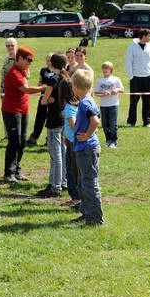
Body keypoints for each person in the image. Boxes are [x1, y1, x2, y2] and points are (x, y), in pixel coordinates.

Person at [1, 46, 45, 183]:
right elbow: (26, 89)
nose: (30, 62)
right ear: (19, 58)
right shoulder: (14, 72)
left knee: (22, 142)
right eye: (28, 60)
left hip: (23, 111)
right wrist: (45, 87)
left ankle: (17, 170)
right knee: (14, 141)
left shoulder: (23, 71)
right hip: (12, 111)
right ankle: (9, 173)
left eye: (32, 60)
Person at [72, 69, 103, 225]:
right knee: (83, 183)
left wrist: (88, 134)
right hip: (83, 148)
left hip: (87, 148)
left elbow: (95, 120)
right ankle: (86, 213)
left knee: (90, 183)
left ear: (76, 86)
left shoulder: (85, 102)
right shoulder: (88, 100)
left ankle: (95, 218)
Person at [37, 53, 71, 197]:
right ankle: (63, 182)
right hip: (64, 117)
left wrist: (48, 98)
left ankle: (54, 186)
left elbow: (43, 101)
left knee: (55, 154)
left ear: (52, 64)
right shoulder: (66, 77)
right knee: (62, 152)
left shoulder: (53, 79)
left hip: (54, 118)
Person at [125, 28, 150, 127]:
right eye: (149, 35)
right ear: (144, 36)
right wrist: (131, 77)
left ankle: (147, 122)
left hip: (148, 78)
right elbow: (128, 62)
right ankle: (131, 121)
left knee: (147, 101)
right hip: (136, 78)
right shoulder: (132, 47)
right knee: (133, 101)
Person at [93, 61, 124, 149]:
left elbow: (122, 89)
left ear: (111, 70)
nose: (105, 70)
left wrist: (117, 90)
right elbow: (96, 93)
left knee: (112, 124)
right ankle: (108, 140)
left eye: (107, 68)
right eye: (104, 68)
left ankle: (114, 141)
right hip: (103, 105)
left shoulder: (116, 79)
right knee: (104, 124)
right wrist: (103, 94)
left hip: (113, 104)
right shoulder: (99, 80)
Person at [26, 54, 54, 147]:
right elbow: (40, 81)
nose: (49, 62)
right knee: (39, 118)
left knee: (50, 120)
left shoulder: (57, 71)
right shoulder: (43, 70)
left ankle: (49, 140)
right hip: (43, 97)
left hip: (52, 100)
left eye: (50, 60)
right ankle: (33, 138)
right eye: (47, 60)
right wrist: (38, 86)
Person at [62, 78, 81, 210]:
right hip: (72, 140)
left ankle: (76, 198)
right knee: (75, 170)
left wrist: (70, 135)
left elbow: (73, 124)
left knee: (71, 170)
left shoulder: (69, 106)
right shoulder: (77, 103)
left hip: (73, 142)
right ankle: (77, 197)